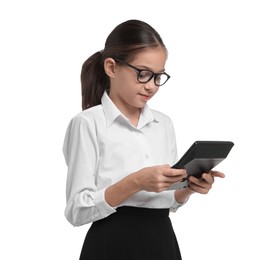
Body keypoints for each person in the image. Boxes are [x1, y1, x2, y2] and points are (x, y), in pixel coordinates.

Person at [62, 19, 225, 260]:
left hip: (161, 240)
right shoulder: (87, 123)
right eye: (143, 74)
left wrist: (188, 188)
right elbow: (77, 210)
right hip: (112, 244)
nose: (151, 86)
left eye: (158, 77)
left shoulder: (164, 123)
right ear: (111, 68)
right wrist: (135, 182)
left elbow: (167, 200)